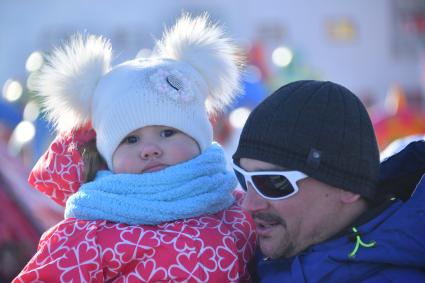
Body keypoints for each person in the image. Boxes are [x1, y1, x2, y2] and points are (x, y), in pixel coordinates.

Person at [13, 14, 256, 282]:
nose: (150, 149)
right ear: (108, 152)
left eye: (167, 132)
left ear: (199, 137)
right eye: (131, 139)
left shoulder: (236, 209)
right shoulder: (89, 231)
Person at [232, 80, 425, 282]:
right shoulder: (240, 260)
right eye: (243, 178)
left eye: (272, 182)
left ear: (347, 186)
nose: (248, 204)